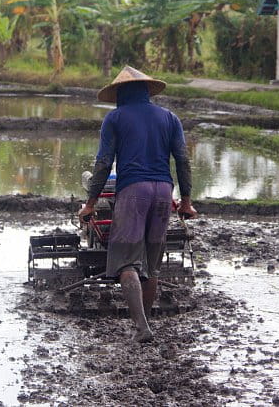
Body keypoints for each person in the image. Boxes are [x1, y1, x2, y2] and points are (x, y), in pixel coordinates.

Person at [78, 65, 197, 343]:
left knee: (126, 263)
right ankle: (145, 321)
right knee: (151, 266)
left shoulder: (115, 118)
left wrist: (90, 203)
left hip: (133, 191)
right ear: (146, 91)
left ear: (120, 93)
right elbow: (182, 160)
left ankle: (143, 328)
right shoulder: (170, 118)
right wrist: (187, 201)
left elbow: (104, 163)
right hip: (163, 192)